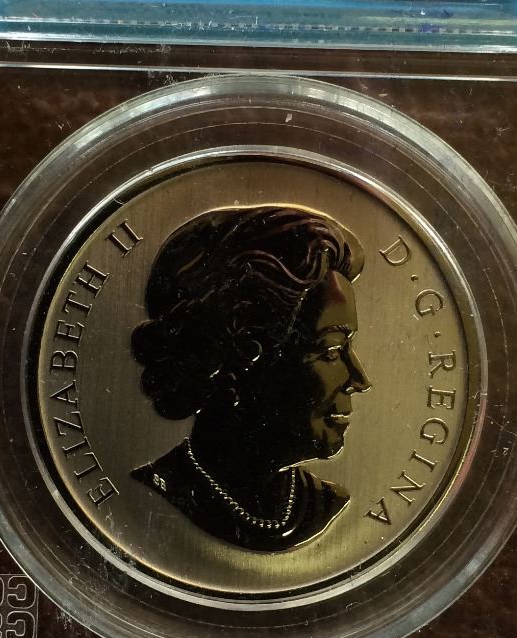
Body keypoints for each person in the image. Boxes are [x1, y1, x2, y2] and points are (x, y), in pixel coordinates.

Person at [130, 205, 372, 551]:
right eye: (331, 351)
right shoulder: (154, 496)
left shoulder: (326, 504)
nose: (359, 380)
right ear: (239, 360)